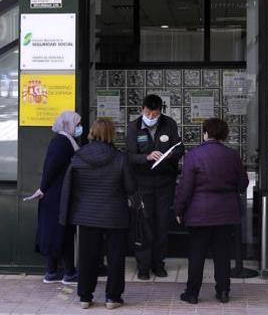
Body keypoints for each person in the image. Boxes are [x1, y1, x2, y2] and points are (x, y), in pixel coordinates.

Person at [59, 119, 136, 310]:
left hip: (86, 214)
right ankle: (112, 298)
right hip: (115, 215)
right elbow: (130, 187)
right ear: (111, 134)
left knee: (87, 258)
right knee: (116, 258)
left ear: (92, 132)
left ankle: (85, 296)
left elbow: (71, 187)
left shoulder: (79, 156)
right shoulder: (120, 158)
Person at [174, 118, 249, 304]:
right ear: (224, 134)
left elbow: (185, 187)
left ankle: (192, 293)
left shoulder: (194, 155)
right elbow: (243, 184)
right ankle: (223, 291)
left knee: (196, 254)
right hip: (225, 212)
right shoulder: (232, 155)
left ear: (205, 133)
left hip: (199, 213)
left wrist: (178, 209)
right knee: (222, 254)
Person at [126, 94, 184, 280]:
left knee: (161, 225)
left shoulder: (169, 124)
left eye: (155, 113)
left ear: (161, 111)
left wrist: (169, 155)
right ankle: (143, 266)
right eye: (148, 113)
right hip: (143, 184)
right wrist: (146, 157)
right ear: (142, 109)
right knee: (144, 225)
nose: (151, 117)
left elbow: (179, 148)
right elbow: (129, 157)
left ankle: (159, 264)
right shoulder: (133, 127)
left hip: (165, 184)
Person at [34, 111, 83, 285]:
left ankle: (52, 271)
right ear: (67, 124)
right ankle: (68, 272)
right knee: (64, 232)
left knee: (55, 232)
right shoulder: (62, 143)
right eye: (77, 125)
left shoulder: (63, 141)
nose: (79, 128)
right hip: (58, 195)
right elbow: (51, 169)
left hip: (55, 194)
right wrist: (43, 188)